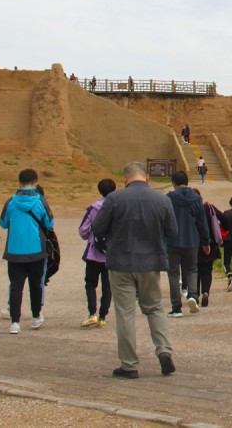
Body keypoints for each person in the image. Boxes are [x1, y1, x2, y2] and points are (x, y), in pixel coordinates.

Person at [92, 161, 178, 379]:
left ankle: (129, 364)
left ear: (125, 179)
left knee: (125, 313)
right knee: (155, 308)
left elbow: (98, 227)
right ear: (147, 177)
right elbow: (172, 230)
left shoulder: (114, 199)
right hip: (151, 263)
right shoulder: (162, 199)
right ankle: (164, 350)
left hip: (121, 262)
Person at [0, 168, 53, 335]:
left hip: (15, 250)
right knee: (35, 285)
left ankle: (15, 322)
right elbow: (50, 224)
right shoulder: (41, 201)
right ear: (36, 183)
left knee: (16, 286)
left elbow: (3, 223)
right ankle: (36, 316)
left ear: (19, 183)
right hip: (36, 249)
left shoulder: (10, 202)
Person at [165, 171, 210, 317]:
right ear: (187, 182)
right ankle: (193, 295)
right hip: (192, 239)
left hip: (172, 240)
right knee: (192, 269)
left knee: (173, 273)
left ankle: (176, 308)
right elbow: (202, 221)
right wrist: (206, 242)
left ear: (174, 183)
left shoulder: (169, 198)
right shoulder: (196, 198)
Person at [78, 178, 117, 328]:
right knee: (107, 286)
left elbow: (83, 230)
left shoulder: (94, 208)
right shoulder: (118, 206)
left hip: (94, 252)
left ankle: (91, 313)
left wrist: (90, 235)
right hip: (111, 253)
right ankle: (102, 316)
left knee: (90, 284)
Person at [193, 188, 223, 307]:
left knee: (194, 271)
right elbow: (223, 217)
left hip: (193, 244)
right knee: (206, 271)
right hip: (209, 244)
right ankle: (205, 292)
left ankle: (195, 295)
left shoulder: (189, 210)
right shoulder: (208, 208)